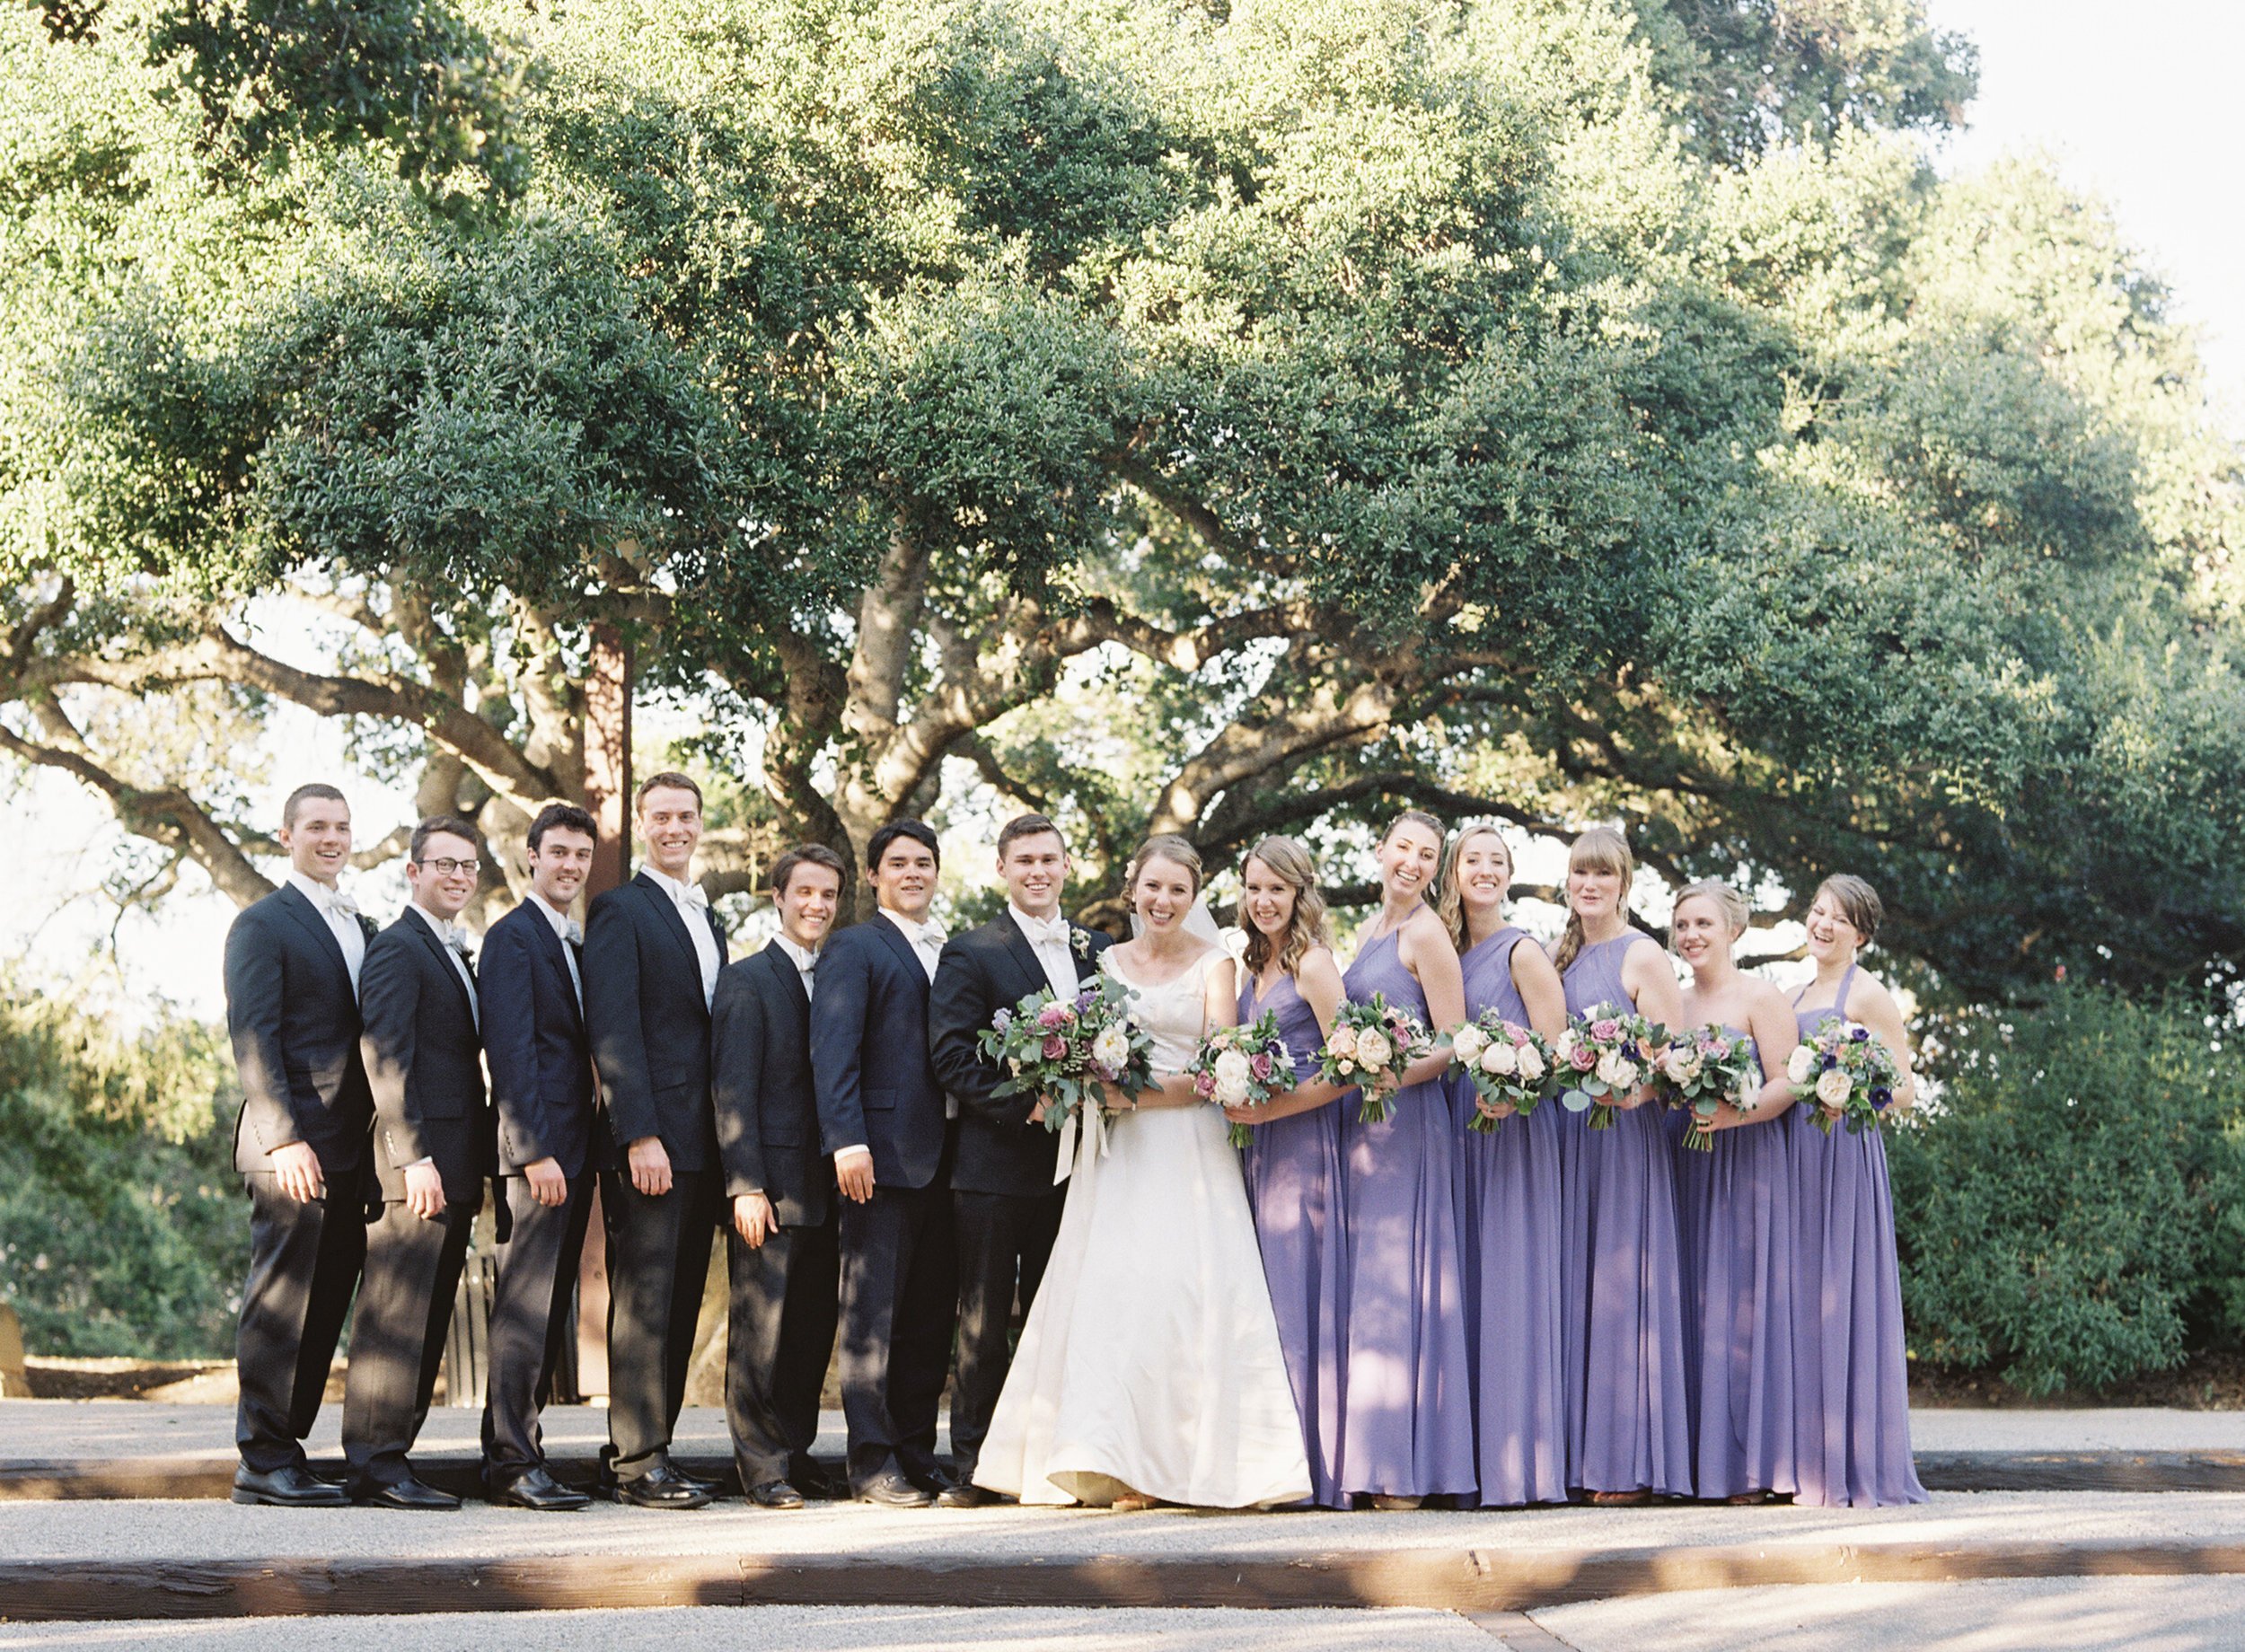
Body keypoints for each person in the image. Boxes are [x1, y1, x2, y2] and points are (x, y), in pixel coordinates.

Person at [973, 835, 1309, 1509]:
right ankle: (1112, 1458)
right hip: (1119, 1150)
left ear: (1195, 897)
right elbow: (1089, 1045)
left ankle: (1183, 1463)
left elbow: (1219, 1070)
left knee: (1184, 1292)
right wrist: (1085, 1081)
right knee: (1116, 1295)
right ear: (1134, 888)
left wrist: (1131, 1091)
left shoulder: (1217, 963)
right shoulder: (1104, 960)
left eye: (1178, 891)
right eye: (1153, 887)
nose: (1163, 901)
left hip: (1188, 1146)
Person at [926, 813, 1113, 1507]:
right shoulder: (972, 951)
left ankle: (1054, 1461)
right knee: (981, 1321)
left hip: (1083, 1168)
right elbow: (950, 1057)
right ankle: (975, 1467)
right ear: (1002, 870)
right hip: (994, 1167)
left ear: (1067, 867)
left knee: (1060, 1314)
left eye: (1049, 860)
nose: (1038, 871)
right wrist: (1028, 1106)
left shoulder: (1101, 951)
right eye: (1024, 860)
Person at [224, 783, 374, 1508]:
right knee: (283, 1299)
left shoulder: (362, 925)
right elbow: (254, 1039)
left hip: (349, 1149)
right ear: (286, 836)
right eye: (317, 826)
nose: (332, 838)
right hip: (287, 1147)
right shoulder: (263, 924)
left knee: (326, 1302)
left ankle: (289, 1445)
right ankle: (261, 1456)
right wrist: (284, 1139)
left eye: (342, 827)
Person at [584, 772, 728, 1509]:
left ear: (702, 823)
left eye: (687, 815)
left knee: (676, 1303)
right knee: (644, 1300)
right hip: (653, 1141)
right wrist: (638, 1133)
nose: (676, 827)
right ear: (643, 825)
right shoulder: (619, 910)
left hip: (706, 1141)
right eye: (662, 816)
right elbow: (613, 1027)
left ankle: (651, 1448)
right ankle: (638, 1464)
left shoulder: (710, 915)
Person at [343, 814, 494, 1508]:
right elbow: (388, 1057)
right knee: (395, 1313)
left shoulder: (451, 948)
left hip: (455, 1165)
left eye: (468, 866)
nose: (458, 876)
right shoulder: (400, 948)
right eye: (445, 865)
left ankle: (394, 1453)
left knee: (428, 1314)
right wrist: (414, 1159)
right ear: (414, 871)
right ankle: (375, 1464)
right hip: (416, 1168)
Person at [1332, 811, 1477, 1509]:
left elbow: (1454, 1040)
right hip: (1361, 1126)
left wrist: (1390, 1076)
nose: (1412, 863)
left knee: (1402, 1284)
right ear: (1380, 849)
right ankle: (1366, 1455)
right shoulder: (1367, 934)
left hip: (1409, 1122)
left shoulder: (1428, 934)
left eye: (1427, 855)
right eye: (1403, 849)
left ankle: (1403, 1469)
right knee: (1370, 1287)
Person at [813, 820, 956, 1507]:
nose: (912, 873)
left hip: (945, 1161)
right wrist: (847, 1140)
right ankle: (871, 1463)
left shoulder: (948, 950)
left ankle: (916, 1450)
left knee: (929, 1317)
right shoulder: (854, 946)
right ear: (872, 876)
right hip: (877, 1157)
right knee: (872, 1316)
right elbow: (833, 1049)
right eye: (897, 863)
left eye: (923, 862)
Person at [1551, 825, 1691, 1504]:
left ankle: (1625, 1460)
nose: (1590, 885)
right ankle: (1580, 1456)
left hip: (1627, 1139)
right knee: (1580, 1286)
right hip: (1570, 1139)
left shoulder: (1643, 955)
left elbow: (1677, 1057)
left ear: (1623, 883)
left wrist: (1638, 1086)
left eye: (1602, 875)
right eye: (1580, 874)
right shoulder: (1562, 957)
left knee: (1621, 1288)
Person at [711, 843, 850, 1509]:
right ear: (778, 897)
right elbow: (732, 1089)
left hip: (832, 1188)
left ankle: (794, 1451)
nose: (817, 905)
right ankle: (761, 1465)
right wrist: (746, 1185)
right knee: (761, 1333)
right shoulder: (746, 980)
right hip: (769, 1187)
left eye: (828, 895)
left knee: (808, 1332)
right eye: (805, 893)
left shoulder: (842, 974)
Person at [1439, 822, 1571, 1508]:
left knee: (1511, 1287)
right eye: (1472, 859)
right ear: (1453, 871)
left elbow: (1556, 1046)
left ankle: (1517, 1467)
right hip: (1454, 1129)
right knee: (1464, 1285)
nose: (1483, 870)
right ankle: (1461, 1463)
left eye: (1496, 860)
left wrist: (1513, 1090)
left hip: (1513, 1128)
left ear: (1510, 874)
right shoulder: (1443, 949)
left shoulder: (1522, 952)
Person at [1788, 874, 1928, 1507]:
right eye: (1818, 911)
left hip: (1842, 1152)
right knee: (1797, 1299)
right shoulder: (1792, 991)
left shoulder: (1868, 995)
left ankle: (1847, 1463)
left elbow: (1904, 1089)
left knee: (1838, 1295)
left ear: (1861, 935)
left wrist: (1843, 1085)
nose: (1822, 924)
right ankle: (1798, 1457)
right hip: (1791, 1154)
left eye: (1838, 919)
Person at [1220, 835, 1351, 1507]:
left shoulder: (1314, 964)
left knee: (1295, 1298)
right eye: (1254, 888)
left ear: (1300, 893)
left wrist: (1273, 1114)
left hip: (1301, 1150)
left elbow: (1350, 1069)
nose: (1264, 901)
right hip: (1254, 1153)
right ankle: (1265, 1458)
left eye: (1277, 889)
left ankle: (1308, 1468)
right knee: (1259, 1302)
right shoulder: (1251, 968)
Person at [478, 801, 601, 1512]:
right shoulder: (514, 938)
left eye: (580, 856)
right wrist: (533, 1154)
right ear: (532, 856)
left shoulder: (569, 940)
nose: (570, 866)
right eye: (558, 853)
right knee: (524, 1310)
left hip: (574, 1152)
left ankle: (525, 1453)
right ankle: (511, 1466)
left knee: (548, 1309)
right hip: (541, 1155)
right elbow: (512, 1053)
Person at [1668, 880, 1802, 1504]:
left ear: (1733, 931)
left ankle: (1751, 1466)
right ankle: (1699, 1462)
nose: (1691, 935)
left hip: (1746, 1164)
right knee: (1693, 1304)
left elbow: (1789, 1084)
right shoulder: (1675, 1003)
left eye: (1703, 925)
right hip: (1686, 1165)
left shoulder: (1761, 996)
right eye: (1682, 925)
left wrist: (1732, 1115)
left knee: (1744, 1306)